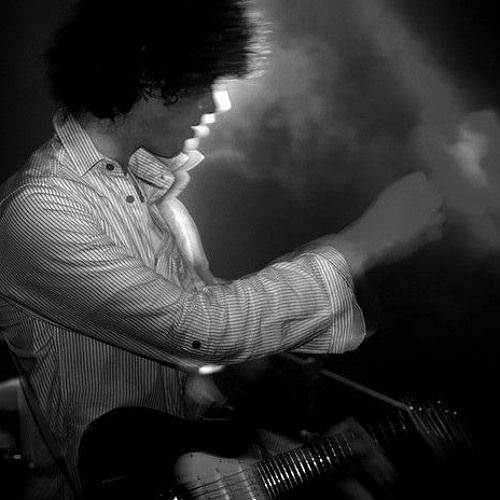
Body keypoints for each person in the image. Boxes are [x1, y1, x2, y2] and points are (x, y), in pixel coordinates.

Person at [0, 0, 444, 498]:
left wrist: (301, 448)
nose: (219, 105)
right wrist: (362, 243)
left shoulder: (161, 205)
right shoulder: (38, 210)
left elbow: (219, 346)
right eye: (205, 82)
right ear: (149, 73)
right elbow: (200, 331)